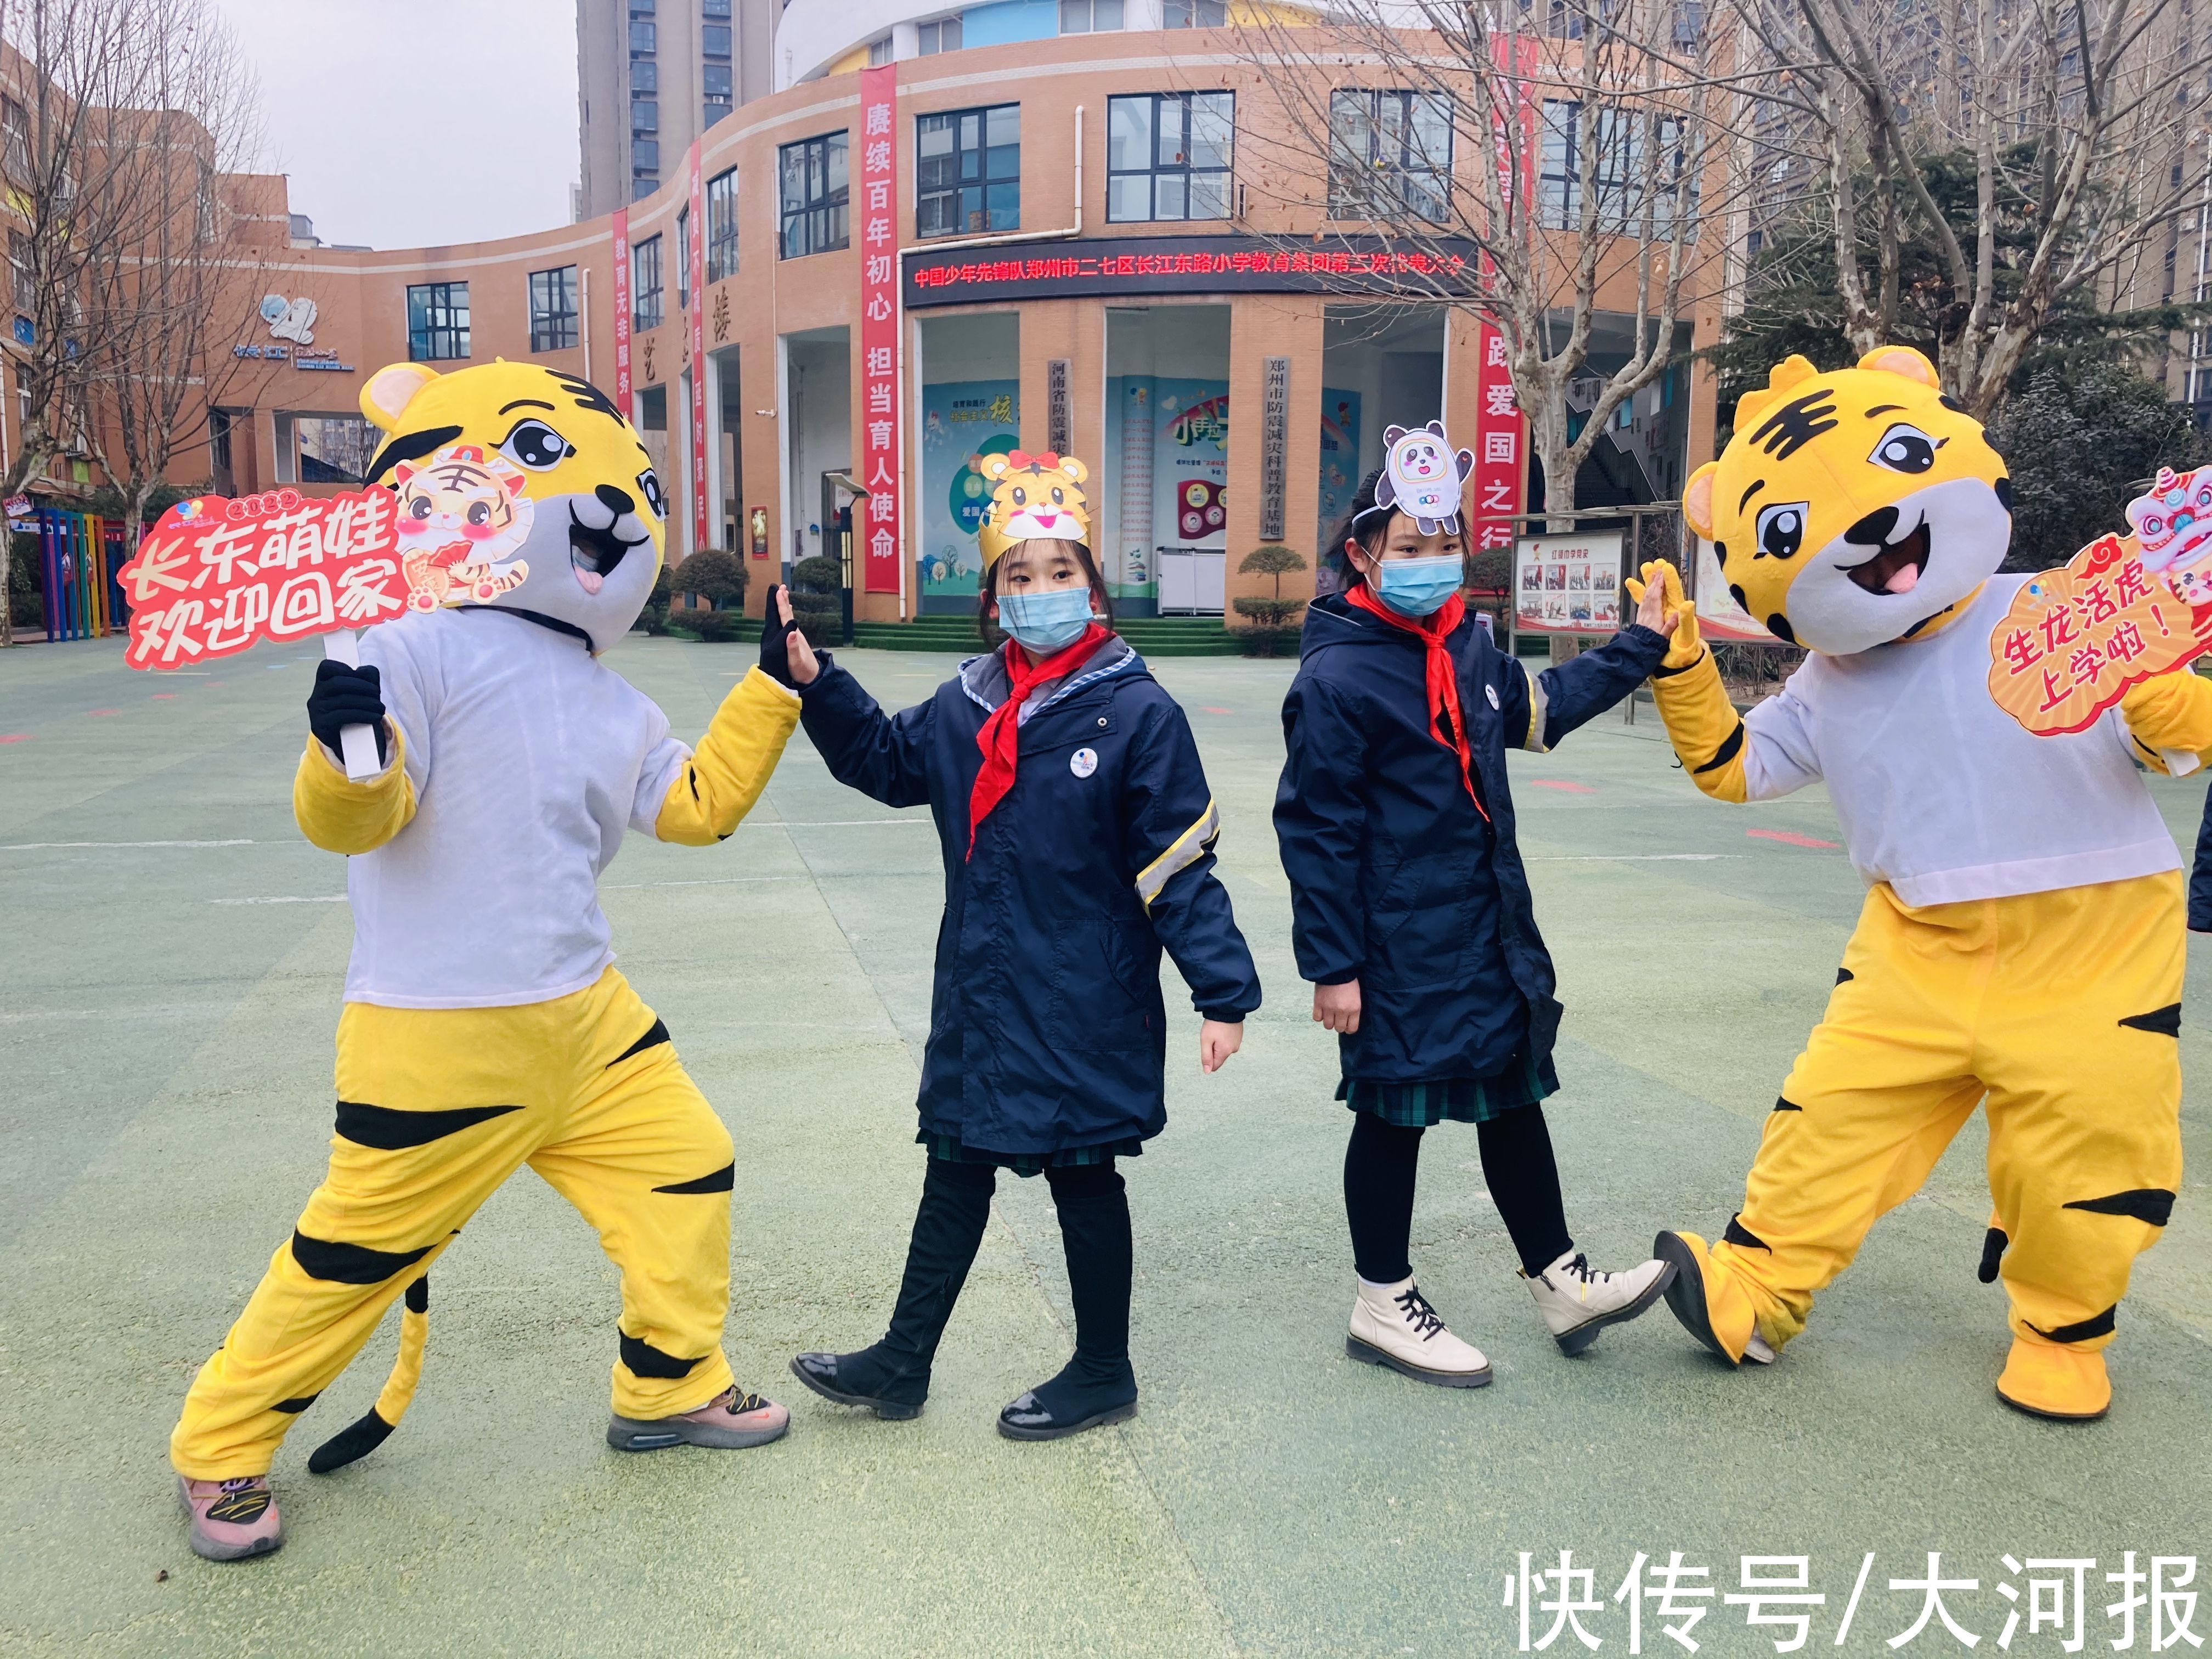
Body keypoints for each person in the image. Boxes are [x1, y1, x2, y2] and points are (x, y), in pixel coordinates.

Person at [170, 360, 806, 1562]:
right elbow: (360, 813)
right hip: (438, 1031)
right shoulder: (410, 642)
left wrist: (771, 692)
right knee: (355, 1254)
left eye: (633, 487)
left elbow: (697, 804)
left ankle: (668, 1381)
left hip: (589, 1021)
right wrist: (349, 748)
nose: (613, 511)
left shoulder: (610, 697)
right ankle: (222, 1440)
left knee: (688, 1166)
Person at [1634, 346, 2212, 1420]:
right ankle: (1756, 1288)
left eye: (1900, 463)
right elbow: (1737, 769)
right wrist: (1679, 670)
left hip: (2095, 941)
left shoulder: (2058, 606)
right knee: (1829, 1119)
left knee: (2085, 1153)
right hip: (1914, 951)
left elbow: (2183, 732)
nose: (1870, 529)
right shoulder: (1826, 675)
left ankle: (2062, 1332)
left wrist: (2162, 703)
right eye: (1786, 532)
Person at [782, 449, 1262, 1439]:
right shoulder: (966, 706)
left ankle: (1102, 1370)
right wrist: (817, 684)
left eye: (1060, 574)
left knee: (1085, 1178)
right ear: (993, 597)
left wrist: (1223, 992)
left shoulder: (1136, 712)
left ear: (1094, 587)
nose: (1040, 593)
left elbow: (1177, 865)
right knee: (954, 1166)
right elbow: (883, 761)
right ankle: (902, 1363)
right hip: (985, 990)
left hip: (1087, 996)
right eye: (1019, 576)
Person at [1273, 423, 1677, 1390]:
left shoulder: (1467, 648)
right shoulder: (1335, 676)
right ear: (1363, 556)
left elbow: (1536, 714)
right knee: (1392, 1113)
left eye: (1443, 542)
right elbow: (1314, 828)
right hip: (1392, 941)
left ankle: (1560, 1278)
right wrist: (1333, 964)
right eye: (1408, 547)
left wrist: (1641, 647)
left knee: (1511, 1096)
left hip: (1484, 925)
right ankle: (1382, 1302)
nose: (1429, 561)